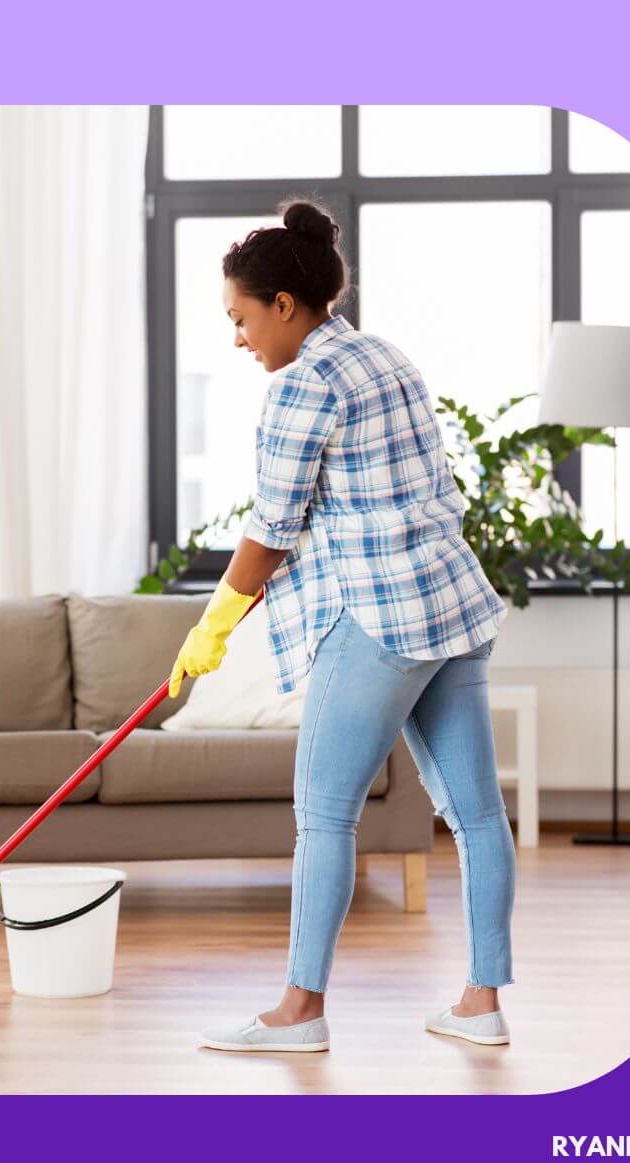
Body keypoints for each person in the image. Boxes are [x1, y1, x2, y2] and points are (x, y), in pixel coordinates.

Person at [168, 197, 517, 1054]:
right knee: (474, 813)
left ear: (284, 305)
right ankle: (483, 1003)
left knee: (324, 815)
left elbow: (271, 528)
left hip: (377, 617)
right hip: (451, 605)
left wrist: (211, 626)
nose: (239, 338)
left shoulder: (303, 386)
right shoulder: (384, 356)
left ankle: (299, 1014)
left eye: (242, 319)